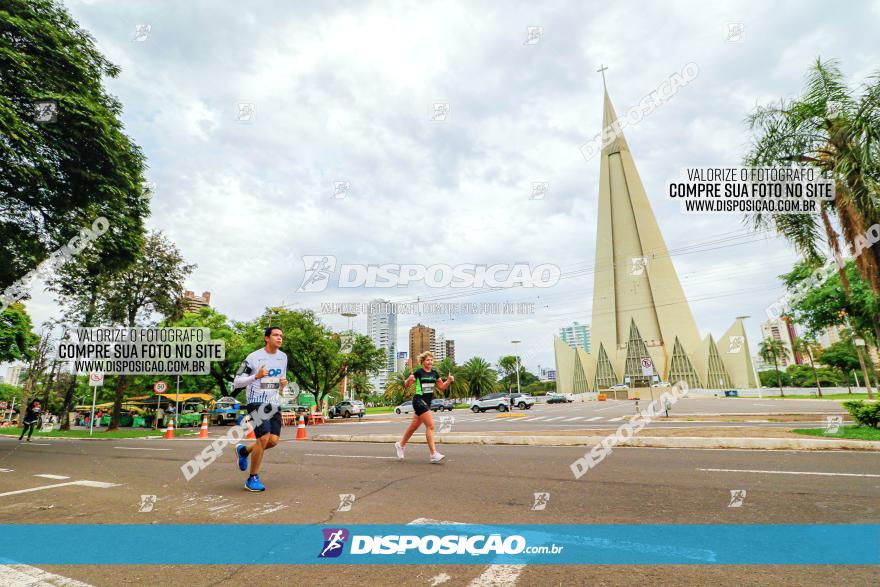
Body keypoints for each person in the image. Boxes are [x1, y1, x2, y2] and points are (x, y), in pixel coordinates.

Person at [233, 326, 288, 492]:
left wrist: (281, 385)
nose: (279, 338)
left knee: (272, 441)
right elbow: (236, 382)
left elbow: (276, 381)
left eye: (281, 336)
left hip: (273, 402)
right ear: (266, 338)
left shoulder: (283, 357)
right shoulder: (253, 358)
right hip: (256, 402)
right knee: (263, 438)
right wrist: (256, 376)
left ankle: (244, 451)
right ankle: (252, 478)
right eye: (275, 335)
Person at [395, 351, 454, 463]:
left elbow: (441, 387)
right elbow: (406, 385)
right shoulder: (419, 372)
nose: (430, 362)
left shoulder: (435, 373)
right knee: (431, 426)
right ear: (423, 362)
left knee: (413, 427)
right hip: (418, 400)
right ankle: (433, 454)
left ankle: (400, 445)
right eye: (427, 360)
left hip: (427, 402)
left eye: (431, 360)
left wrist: (449, 381)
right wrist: (409, 379)